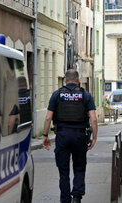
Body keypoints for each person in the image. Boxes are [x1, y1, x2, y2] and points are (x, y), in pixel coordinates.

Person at [42, 69, 98, 203]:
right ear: (78, 81)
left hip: (62, 135)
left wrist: (45, 136)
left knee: (63, 171)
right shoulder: (86, 96)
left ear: (65, 80)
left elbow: (48, 117)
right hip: (79, 136)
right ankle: (77, 197)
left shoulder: (56, 95)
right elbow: (94, 119)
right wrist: (94, 138)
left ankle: (65, 199)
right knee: (79, 167)